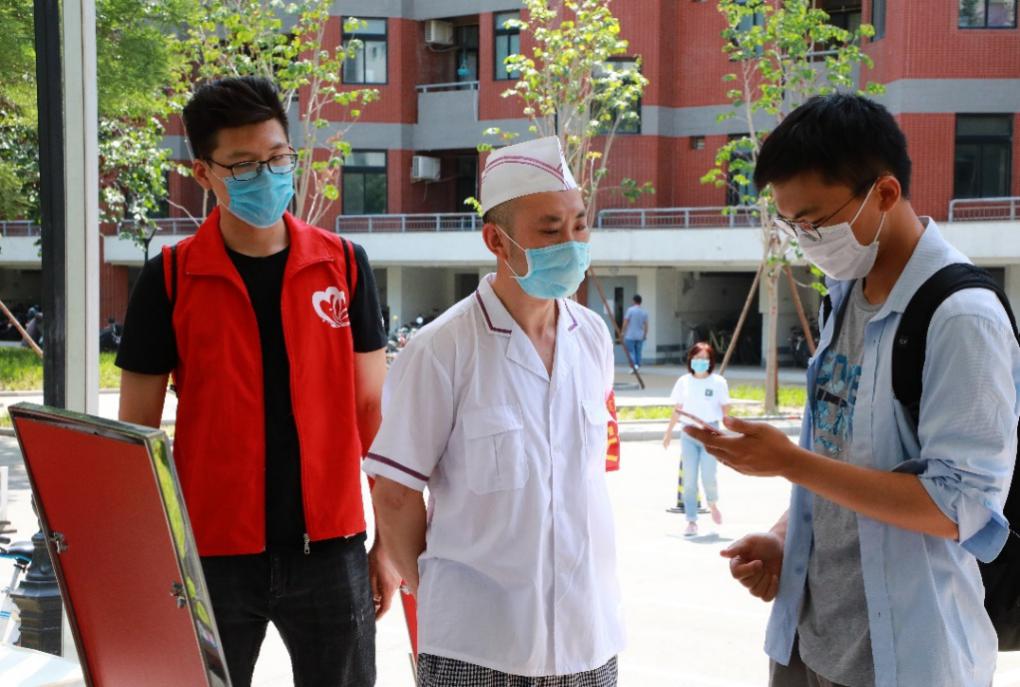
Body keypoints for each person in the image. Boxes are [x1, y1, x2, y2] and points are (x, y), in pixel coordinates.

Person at [684, 94, 1020, 687]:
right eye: (791, 224)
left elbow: (959, 506)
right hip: (808, 640)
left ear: (884, 193)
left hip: (906, 656)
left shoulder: (961, 316)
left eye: (814, 221)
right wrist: (785, 537)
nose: (804, 239)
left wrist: (789, 462)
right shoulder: (843, 294)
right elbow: (842, 457)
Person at [116, 76, 399, 687]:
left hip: (332, 549)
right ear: (203, 172)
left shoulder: (345, 266)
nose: (266, 176)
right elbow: (135, 435)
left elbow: (371, 411)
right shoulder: (170, 279)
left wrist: (388, 541)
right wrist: (147, 557)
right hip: (211, 555)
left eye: (277, 158)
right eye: (243, 166)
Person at [364, 136, 624, 686]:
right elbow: (394, 494)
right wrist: (435, 590)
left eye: (580, 225)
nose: (572, 243)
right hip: (476, 648)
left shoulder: (593, 337)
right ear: (496, 240)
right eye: (550, 231)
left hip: (589, 636)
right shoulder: (442, 350)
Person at [662, 342, 729, 536]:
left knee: (709, 476)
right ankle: (691, 520)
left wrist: (727, 432)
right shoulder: (684, 381)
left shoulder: (718, 382)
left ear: (710, 361)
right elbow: (678, 409)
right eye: (697, 358)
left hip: (710, 433)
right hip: (688, 433)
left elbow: (725, 408)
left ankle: (712, 503)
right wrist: (668, 432)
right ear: (691, 359)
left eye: (704, 359)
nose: (700, 362)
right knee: (689, 480)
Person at [622, 294, 649, 369]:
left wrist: (622, 332)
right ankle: (637, 365)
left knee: (631, 351)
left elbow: (625, 322)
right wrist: (645, 334)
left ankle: (633, 366)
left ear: (634, 301)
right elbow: (646, 325)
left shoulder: (630, 310)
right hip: (640, 335)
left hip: (630, 335)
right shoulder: (644, 312)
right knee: (638, 352)